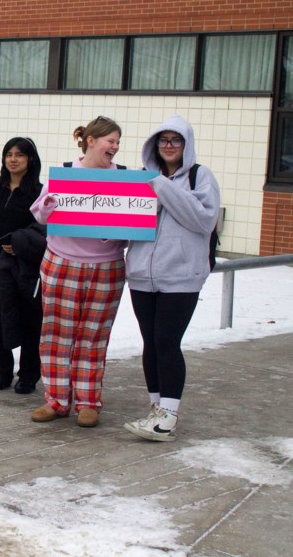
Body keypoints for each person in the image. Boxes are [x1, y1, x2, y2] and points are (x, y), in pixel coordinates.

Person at [124, 115, 220, 442]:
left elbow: (203, 219)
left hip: (181, 277)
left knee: (167, 341)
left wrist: (159, 185)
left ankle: (168, 415)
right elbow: (125, 223)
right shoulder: (143, 178)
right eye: (163, 140)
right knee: (150, 343)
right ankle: (156, 408)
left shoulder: (200, 176)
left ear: (186, 145)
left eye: (175, 140)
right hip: (141, 275)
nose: (168, 146)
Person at [30, 115, 126, 428]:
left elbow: (133, 224)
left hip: (106, 266)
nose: (115, 146)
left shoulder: (125, 178)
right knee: (57, 334)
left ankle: (88, 402)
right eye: (110, 140)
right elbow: (40, 214)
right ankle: (57, 400)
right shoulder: (67, 173)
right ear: (91, 141)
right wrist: (49, 205)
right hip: (62, 262)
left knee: (94, 337)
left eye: (117, 141)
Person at [0, 137, 45, 394]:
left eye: (19, 155)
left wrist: (21, 243)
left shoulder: (40, 192)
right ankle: (0, 371)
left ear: (30, 159)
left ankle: (29, 375)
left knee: (31, 321)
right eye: (8, 154)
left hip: (28, 268)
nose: (13, 159)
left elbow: (44, 230)